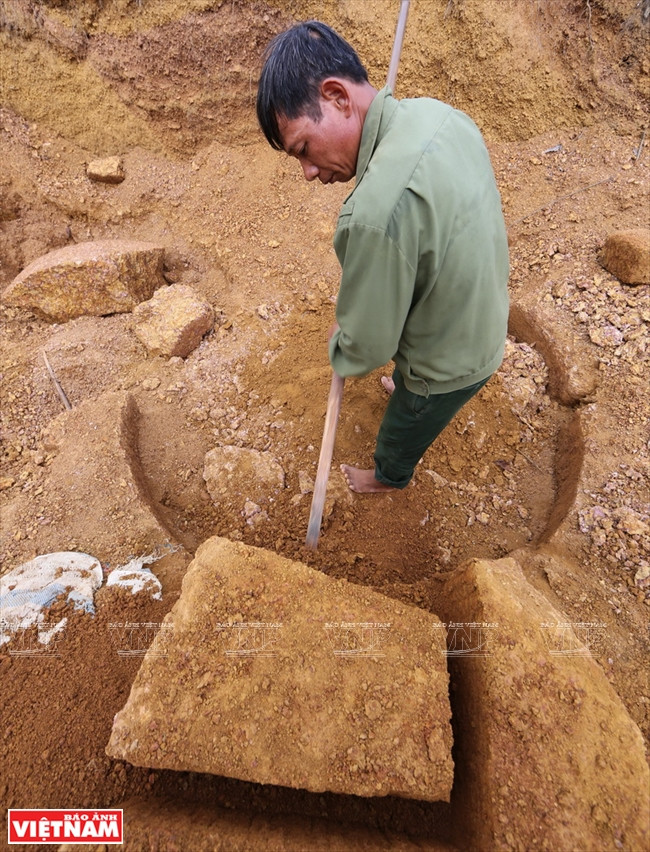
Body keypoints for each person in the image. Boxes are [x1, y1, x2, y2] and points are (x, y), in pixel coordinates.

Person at [256, 20, 509, 493]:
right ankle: (407, 385)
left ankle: (388, 477)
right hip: (480, 312)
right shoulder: (439, 116)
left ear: (337, 96)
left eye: (304, 149)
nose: (308, 172)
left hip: (451, 363)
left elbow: (367, 346)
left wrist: (344, 342)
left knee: (406, 422)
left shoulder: (376, 211)